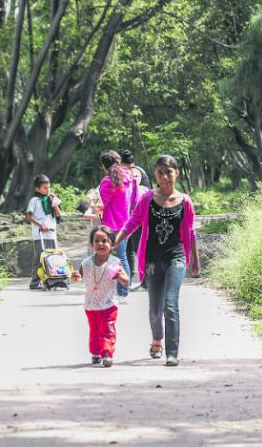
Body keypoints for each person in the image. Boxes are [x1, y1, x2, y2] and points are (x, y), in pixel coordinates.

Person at [115, 155, 200, 367]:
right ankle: (157, 338)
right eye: (160, 172)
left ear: (176, 173)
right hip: (152, 259)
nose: (165, 176)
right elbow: (133, 222)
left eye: (168, 172)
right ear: (155, 175)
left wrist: (195, 261)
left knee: (170, 304)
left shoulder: (185, 201)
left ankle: (172, 352)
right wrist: (114, 241)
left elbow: (190, 233)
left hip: (176, 257)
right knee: (155, 309)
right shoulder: (147, 199)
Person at [70, 225, 129, 367]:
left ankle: (107, 353)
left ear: (112, 244)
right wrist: (75, 276)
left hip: (109, 304)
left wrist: (121, 277)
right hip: (91, 304)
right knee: (95, 330)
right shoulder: (86, 263)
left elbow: (125, 280)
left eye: (104, 241)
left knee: (107, 329)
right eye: (96, 241)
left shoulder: (115, 262)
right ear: (92, 244)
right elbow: (78, 278)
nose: (100, 244)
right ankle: (96, 352)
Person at [98, 150, 137, 303]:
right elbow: (135, 199)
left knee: (115, 258)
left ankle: (121, 293)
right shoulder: (128, 177)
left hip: (111, 224)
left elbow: (100, 204)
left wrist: (90, 203)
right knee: (121, 258)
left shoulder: (108, 182)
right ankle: (121, 291)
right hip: (126, 223)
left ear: (104, 165)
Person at [25, 174, 62, 289]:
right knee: (40, 258)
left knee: (53, 257)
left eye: (49, 187)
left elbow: (58, 216)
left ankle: (51, 280)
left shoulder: (50, 200)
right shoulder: (34, 200)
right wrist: (41, 225)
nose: (48, 190)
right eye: (45, 188)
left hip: (51, 234)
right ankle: (34, 282)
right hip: (40, 234)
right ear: (37, 189)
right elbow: (29, 216)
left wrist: (55, 204)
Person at [120, 150, 151, 289]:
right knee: (132, 248)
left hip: (135, 216)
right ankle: (136, 279)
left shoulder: (133, 173)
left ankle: (145, 280)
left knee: (136, 249)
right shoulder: (140, 171)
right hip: (139, 215)